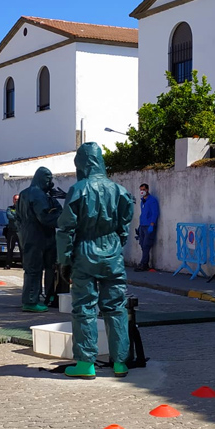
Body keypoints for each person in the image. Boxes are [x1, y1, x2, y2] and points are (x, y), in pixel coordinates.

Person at [57, 143, 135, 379]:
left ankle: (85, 363)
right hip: (112, 253)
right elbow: (125, 225)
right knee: (116, 307)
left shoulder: (78, 189)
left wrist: (64, 260)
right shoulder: (119, 190)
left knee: (84, 308)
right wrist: (115, 245)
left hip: (85, 252)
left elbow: (65, 228)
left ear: (81, 163)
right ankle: (120, 362)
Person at [17, 169, 62, 312]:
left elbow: (18, 217)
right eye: (48, 179)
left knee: (37, 269)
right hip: (40, 236)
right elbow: (45, 217)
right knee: (36, 269)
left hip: (30, 235)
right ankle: (31, 301)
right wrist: (63, 218)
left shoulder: (25, 194)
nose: (50, 182)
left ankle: (41, 297)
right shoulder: (38, 195)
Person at [135, 183, 160, 272]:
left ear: (147, 190)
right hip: (142, 225)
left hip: (149, 225)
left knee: (146, 245)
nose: (142, 191)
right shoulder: (142, 201)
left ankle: (144, 263)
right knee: (142, 244)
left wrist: (152, 224)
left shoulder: (152, 200)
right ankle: (144, 263)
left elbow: (155, 213)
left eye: (144, 189)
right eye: (141, 190)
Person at [4, 194, 20, 270]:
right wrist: (17, 216)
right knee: (10, 249)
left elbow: (24, 217)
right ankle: (8, 264)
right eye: (15, 199)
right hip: (12, 232)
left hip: (20, 232)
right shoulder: (10, 208)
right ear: (13, 200)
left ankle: (24, 265)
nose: (16, 201)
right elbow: (9, 216)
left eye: (17, 199)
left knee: (23, 249)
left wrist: (16, 216)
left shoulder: (23, 209)